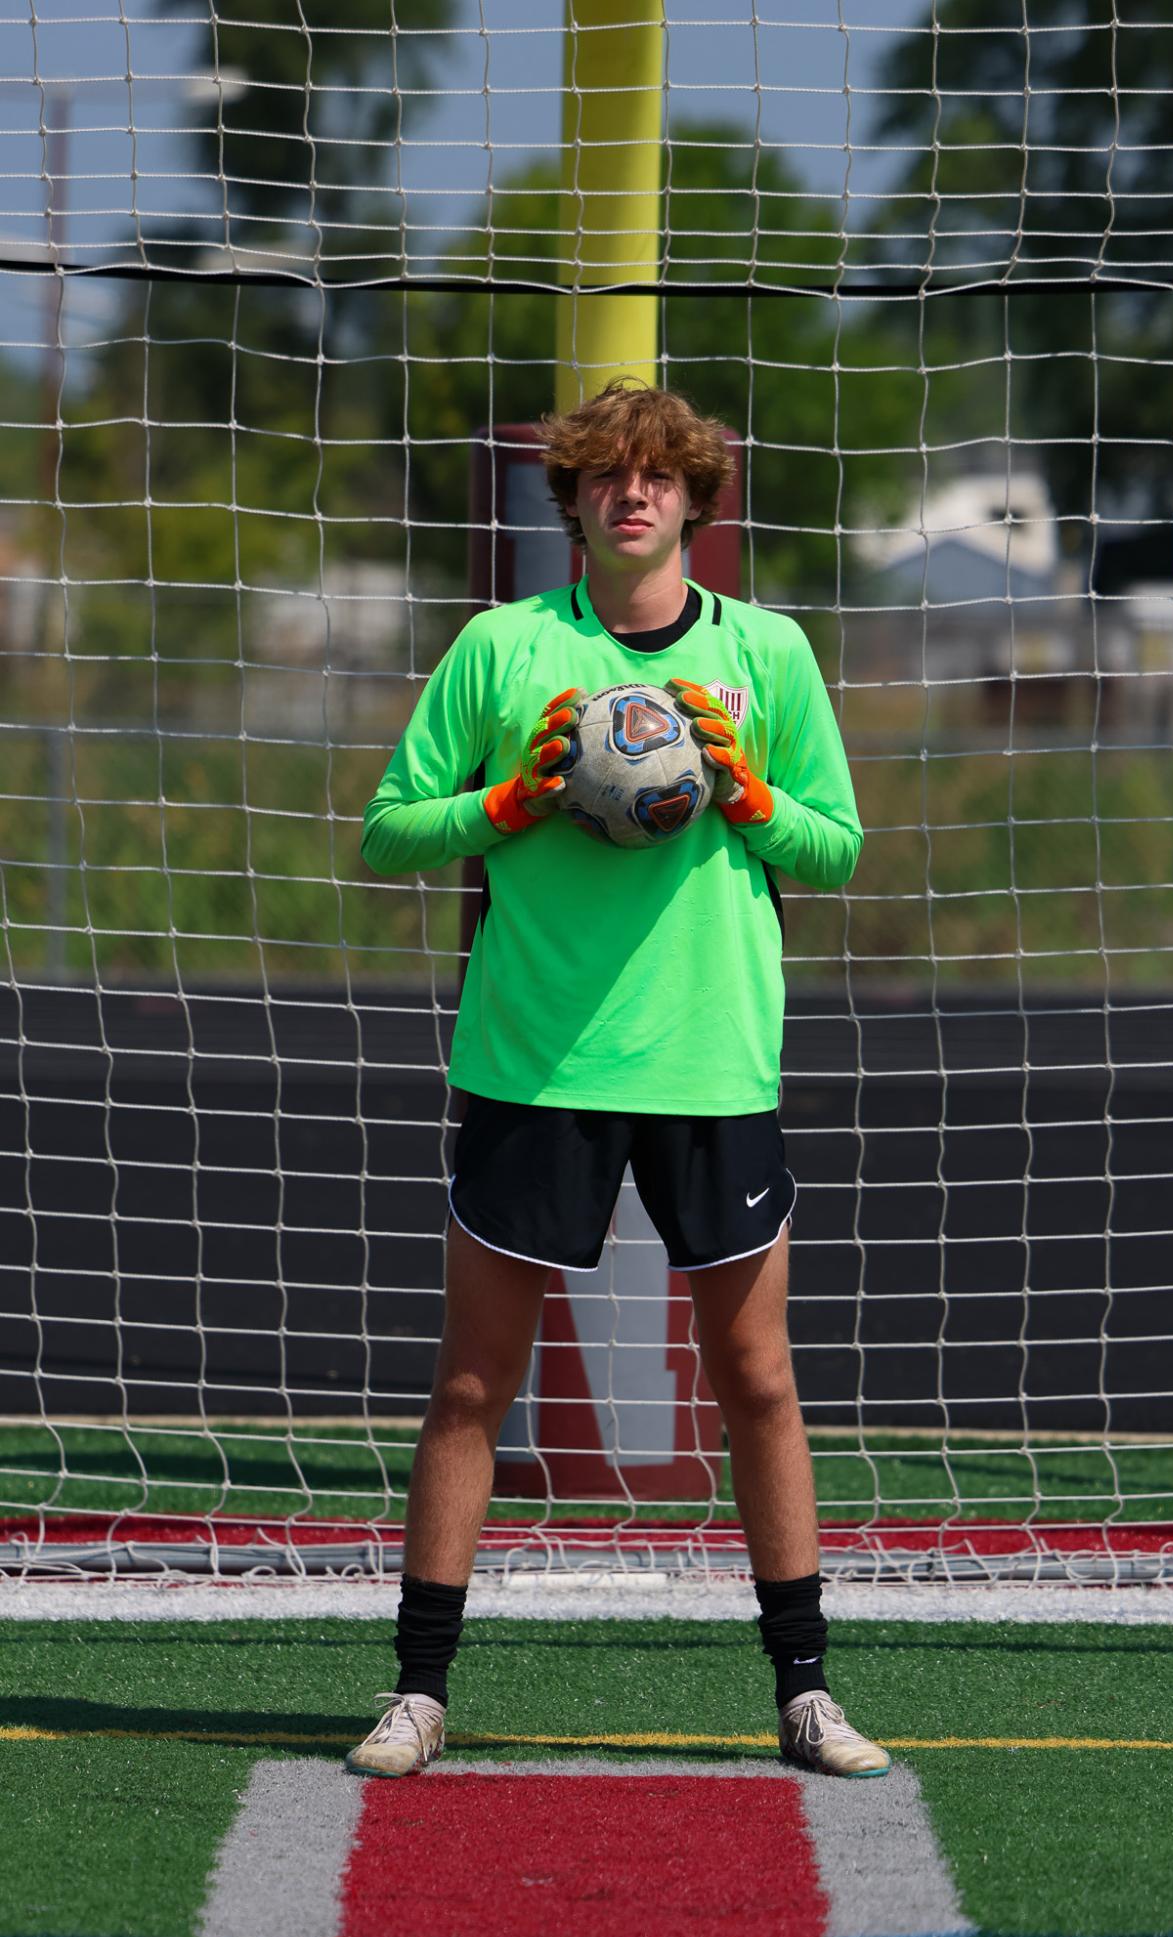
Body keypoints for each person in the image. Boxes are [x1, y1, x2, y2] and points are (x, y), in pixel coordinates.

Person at [348, 379, 886, 1780]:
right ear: (573, 501)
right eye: (604, 477)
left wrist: (752, 795)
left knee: (757, 1378)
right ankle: (418, 1688)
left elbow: (836, 846)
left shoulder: (766, 654)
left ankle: (806, 1690)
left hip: (710, 1060)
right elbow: (390, 831)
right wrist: (511, 804)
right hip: (535, 1059)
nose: (630, 495)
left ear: (695, 502)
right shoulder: (504, 645)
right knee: (472, 1380)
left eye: (657, 476)